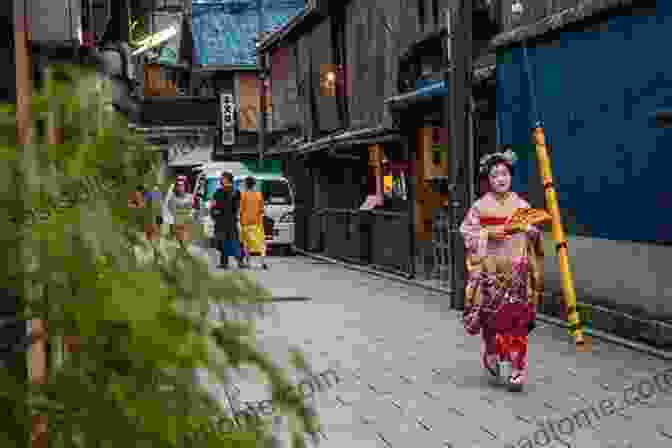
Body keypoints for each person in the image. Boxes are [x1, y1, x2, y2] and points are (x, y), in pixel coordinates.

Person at [459, 147, 544, 392]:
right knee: (492, 321)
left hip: (517, 271)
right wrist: (493, 232)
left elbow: (536, 238)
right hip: (491, 272)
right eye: (495, 175)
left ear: (511, 176)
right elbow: (468, 233)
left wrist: (532, 232)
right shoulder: (479, 207)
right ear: (489, 179)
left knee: (517, 321)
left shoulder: (522, 205)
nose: (501, 179)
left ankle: (518, 368)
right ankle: (492, 354)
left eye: (504, 173)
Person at [211, 172, 246, 269]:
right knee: (234, 241)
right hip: (232, 220)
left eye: (222, 178)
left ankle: (224, 263)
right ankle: (240, 261)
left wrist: (214, 215)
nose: (220, 180)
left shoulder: (218, 192)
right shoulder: (237, 192)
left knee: (223, 242)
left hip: (221, 220)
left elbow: (213, 205)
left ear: (226, 179)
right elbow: (239, 207)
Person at [240, 176, 269, 270]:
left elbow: (240, 210)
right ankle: (263, 262)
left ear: (246, 185)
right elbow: (262, 210)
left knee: (247, 243)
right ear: (254, 185)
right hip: (257, 222)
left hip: (245, 222)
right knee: (260, 243)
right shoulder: (259, 195)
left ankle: (248, 263)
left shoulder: (243, 195)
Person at [163, 176, 194, 243]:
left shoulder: (189, 197)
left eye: (182, 186)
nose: (180, 188)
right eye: (179, 186)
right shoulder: (172, 197)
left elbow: (190, 209)